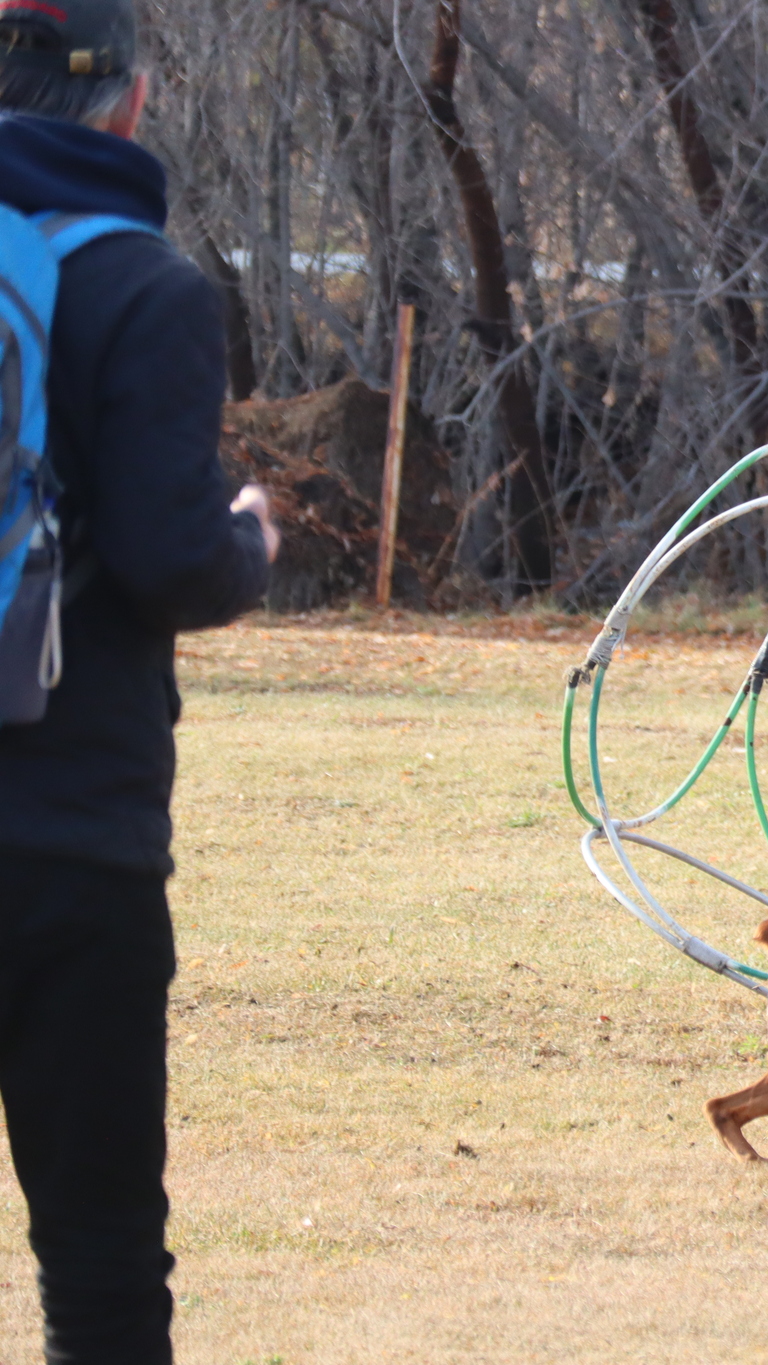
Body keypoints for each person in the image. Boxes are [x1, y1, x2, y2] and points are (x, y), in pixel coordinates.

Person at [0, 2, 279, 1359]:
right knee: (99, 1256)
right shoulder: (145, 287)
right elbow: (178, 565)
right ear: (133, 101)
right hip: (74, 834)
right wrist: (251, 537)